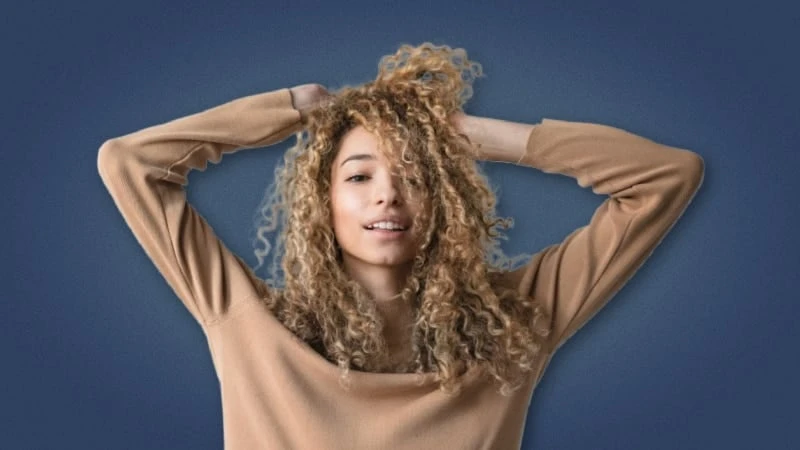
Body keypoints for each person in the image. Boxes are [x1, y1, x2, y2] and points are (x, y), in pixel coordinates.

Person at [97, 42, 704, 449]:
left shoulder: (516, 324)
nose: (388, 197)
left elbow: (666, 177)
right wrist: (292, 109)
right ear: (322, 201)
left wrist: (483, 136)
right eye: (359, 176)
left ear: (447, 199)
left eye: (415, 176)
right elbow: (130, 163)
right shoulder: (245, 322)